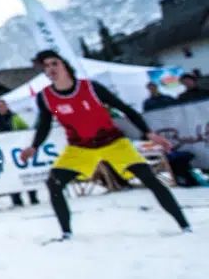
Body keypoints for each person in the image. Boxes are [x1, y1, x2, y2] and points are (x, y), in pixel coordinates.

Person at [23, 50, 190, 241]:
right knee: (54, 183)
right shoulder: (45, 97)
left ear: (64, 65)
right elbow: (44, 125)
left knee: (149, 178)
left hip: (113, 142)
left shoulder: (92, 88)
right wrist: (34, 146)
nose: (50, 68)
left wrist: (149, 133)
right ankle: (66, 234)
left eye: (54, 63)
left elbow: (125, 109)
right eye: (45, 66)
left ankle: (184, 225)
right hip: (80, 147)